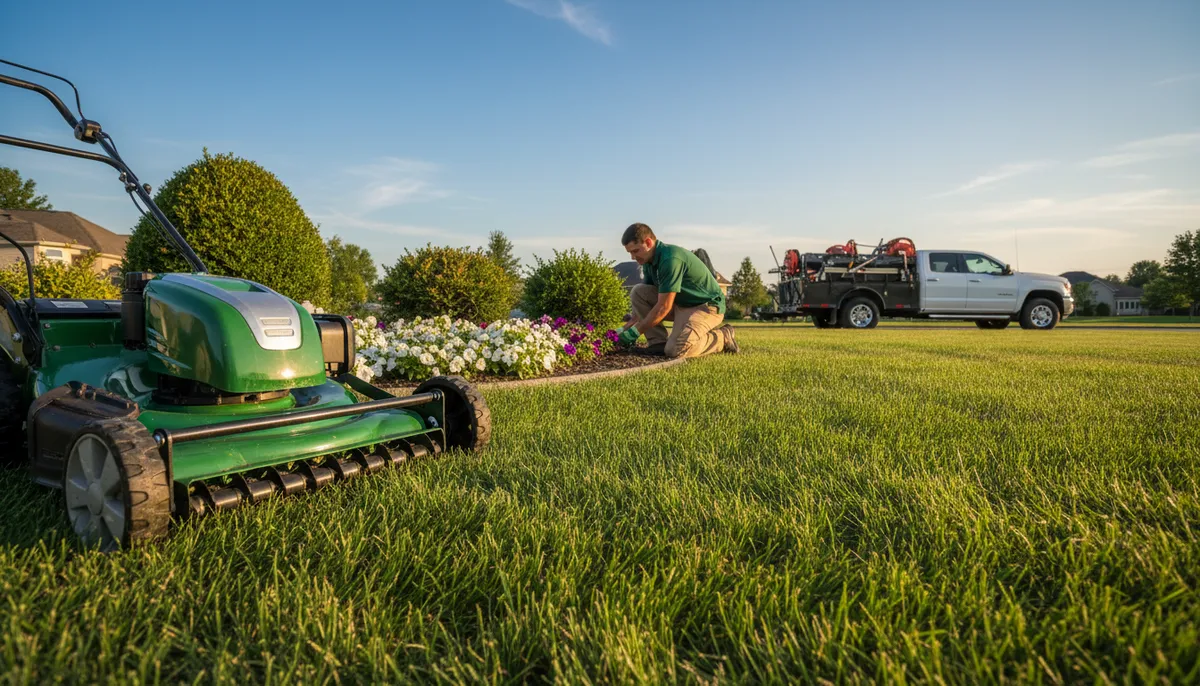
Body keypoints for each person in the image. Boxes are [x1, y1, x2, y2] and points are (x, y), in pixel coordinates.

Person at [618, 222, 739, 358]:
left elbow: (663, 307)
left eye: (635, 251)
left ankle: (722, 337)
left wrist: (635, 332)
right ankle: (658, 343)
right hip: (681, 305)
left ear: (648, 242)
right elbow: (641, 307)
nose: (633, 257)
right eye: (630, 253)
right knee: (639, 291)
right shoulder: (648, 261)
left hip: (706, 307)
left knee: (677, 349)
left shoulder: (670, 259)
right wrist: (622, 330)